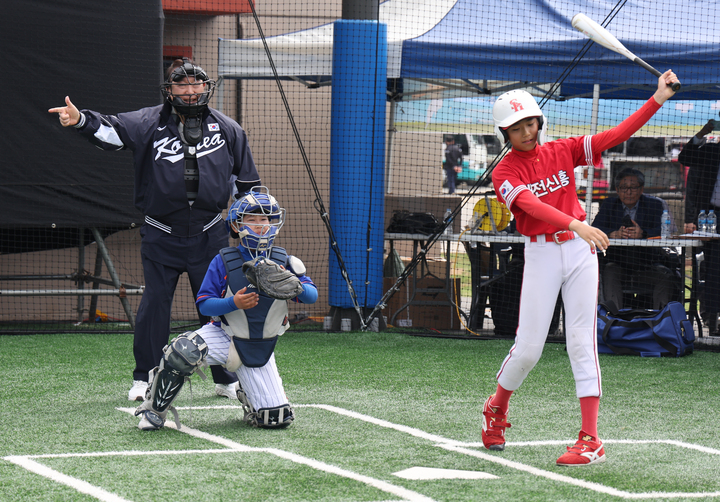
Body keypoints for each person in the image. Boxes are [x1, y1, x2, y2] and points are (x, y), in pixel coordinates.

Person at [485, 70, 680, 465]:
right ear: (504, 133)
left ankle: (590, 438)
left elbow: (615, 136)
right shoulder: (503, 172)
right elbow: (531, 207)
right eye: (516, 127)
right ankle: (496, 408)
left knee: (581, 341)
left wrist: (657, 98)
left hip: (578, 251)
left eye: (531, 122)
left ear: (540, 121)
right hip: (541, 252)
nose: (526, 131)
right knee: (528, 350)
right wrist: (576, 222)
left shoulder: (563, 149)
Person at [48, 58, 262, 400]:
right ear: (170, 89)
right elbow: (112, 131)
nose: (191, 92)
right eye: (182, 85)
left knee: (219, 304)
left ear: (207, 88)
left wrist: (249, 225)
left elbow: (247, 185)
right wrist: (80, 121)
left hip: (211, 233)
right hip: (161, 233)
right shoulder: (148, 123)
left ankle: (225, 377)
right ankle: (145, 377)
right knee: (155, 305)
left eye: (197, 84)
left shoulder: (229, 130)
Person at [134, 187, 318, 430]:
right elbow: (205, 303)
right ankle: (154, 411)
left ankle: (248, 393)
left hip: (259, 344)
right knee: (183, 350)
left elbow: (311, 297)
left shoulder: (286, 262)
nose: (260, 225)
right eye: (251, 219)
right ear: (236, 226)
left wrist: (294, 285)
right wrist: (234, 303)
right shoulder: (225, 260)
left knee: (275, 419)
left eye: (265, 219)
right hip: (225, 335)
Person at [592, 168, 680, 310]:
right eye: (624, 188)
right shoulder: (609, 205)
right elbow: (594, 229)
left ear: (641, 189)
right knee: (609, 273)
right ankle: (614, 318)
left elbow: (666, 231)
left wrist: (643, 233)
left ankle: (660, 319)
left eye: (633, 187)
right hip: (617, 263)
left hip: (648, 264)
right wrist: (613, 233)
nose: (628, 192)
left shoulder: (655, 205)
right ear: (617, 190)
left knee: (666, 277)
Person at [678, 120, 720, 336]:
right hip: (712, 216)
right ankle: (712, 320)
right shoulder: (712, 150)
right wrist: (702, 133)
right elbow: (684, 158)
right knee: (713, 267)